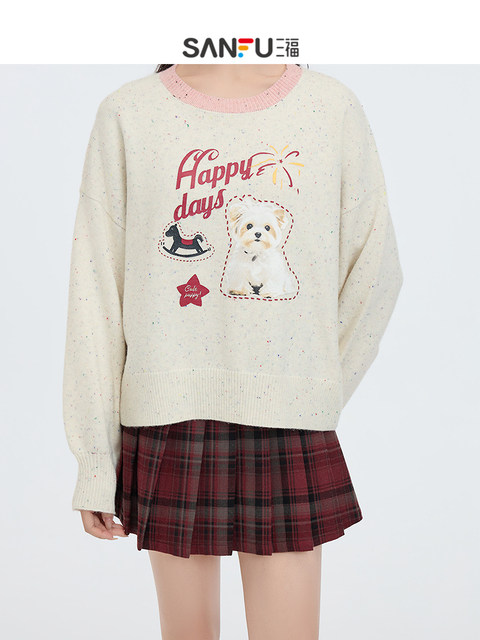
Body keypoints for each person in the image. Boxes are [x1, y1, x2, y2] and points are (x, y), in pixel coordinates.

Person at [63, 62, 404, 640]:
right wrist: (95, 460)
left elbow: (375, 271)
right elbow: (95, 290)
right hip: (168, 417)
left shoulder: (329, 108)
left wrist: (308, 388)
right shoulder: (130, 113)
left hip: (285, 424)